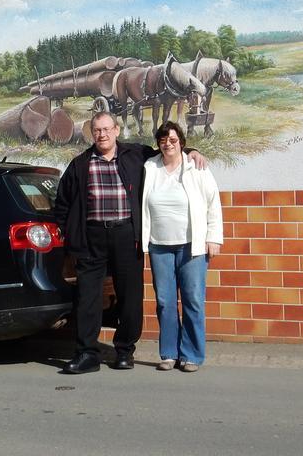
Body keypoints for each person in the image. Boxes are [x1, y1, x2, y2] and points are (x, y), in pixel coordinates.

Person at [54, 111, 205, 374]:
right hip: (91, 237)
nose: (102, 134)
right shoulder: (79, 164)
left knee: (130, 296)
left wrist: (190, 150)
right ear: (92, 133)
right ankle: (87, 353)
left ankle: (125, 351)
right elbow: (63, 204)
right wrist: (70, 236)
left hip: (126, 234)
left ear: (117, 130)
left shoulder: (135, 155)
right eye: (97, 130)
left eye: (106, 129)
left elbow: (167, 151)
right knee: (88, 297)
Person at [141, 120, 222, 372]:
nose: (168, 144)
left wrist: (214, 237)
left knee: (193, 300)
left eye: (173, 140)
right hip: (159, 246)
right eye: (163, 140)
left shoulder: (196, 168)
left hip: (192, 246)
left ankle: (192, 355)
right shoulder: (149, 168)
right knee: (165, 302)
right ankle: (168, 353)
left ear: (182, 143)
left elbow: (213, 203)